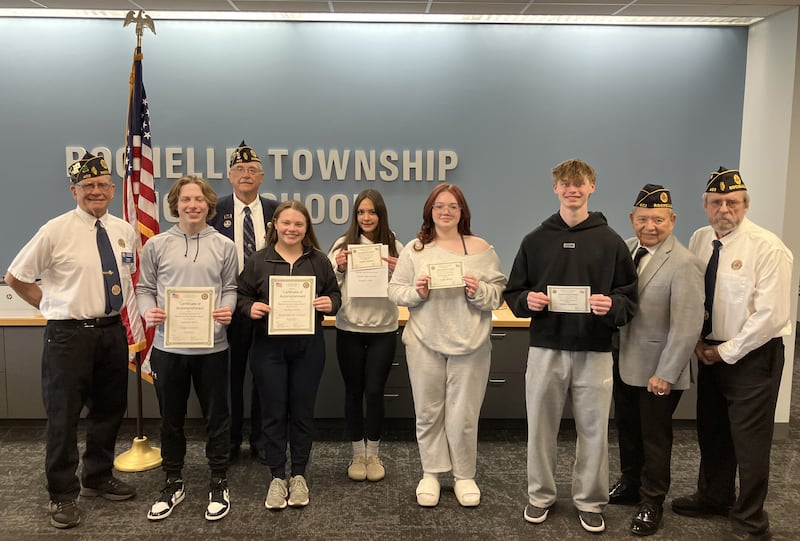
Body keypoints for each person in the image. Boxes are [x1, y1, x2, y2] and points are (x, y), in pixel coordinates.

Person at [503, 158, 638, 533]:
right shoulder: (535, 240)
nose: (572, 189)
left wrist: (612, 305)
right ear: (555, 189)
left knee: (594, 428)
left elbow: (629, 298)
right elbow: (514, 292)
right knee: (540, 426)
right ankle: (540, 495)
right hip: (546, 347)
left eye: (579, 184)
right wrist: (526, 301)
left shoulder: (610, 242)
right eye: (565, 184)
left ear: (592, 186)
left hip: (595, 349)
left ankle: (591, 500)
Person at [5, 152, 137, 529]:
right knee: (63, 417)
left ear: (112, 189)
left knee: (109, 410)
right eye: (87, 186)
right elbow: (16, 276)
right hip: (68, 336)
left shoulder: (123, 229)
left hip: (112, 331)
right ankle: (62, 494)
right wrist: (49, 305)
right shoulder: (55, 229)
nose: (95, 191)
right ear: (74, 191)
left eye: (102, 185)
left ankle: (98, 476)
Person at [671, 167, 792, 541]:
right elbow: (694, 295)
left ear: (745, 205)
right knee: (713, 432)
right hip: (709, 351)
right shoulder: (700, 238)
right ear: (706, 205)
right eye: (716, 202)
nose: (725, 208)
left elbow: (772, 316)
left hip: (752, 357)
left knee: (750, 441)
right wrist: (697, 343)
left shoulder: (767, 247)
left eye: (733, 202)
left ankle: (751, 520)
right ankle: (713, 496)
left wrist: (727, 352)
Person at [388, 184, 506, 508]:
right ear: (429, 211)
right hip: (425, 340)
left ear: (462, 212)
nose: (445, 212)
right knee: (428, 412)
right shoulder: (415, 250)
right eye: (439, 206)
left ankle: (464, 475)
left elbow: (498, 293)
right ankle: (431, 473)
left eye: (453, 206)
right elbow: (395, 291)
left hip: (472, 343)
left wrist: (478, 290)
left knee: (464, 414)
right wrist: (417, 292)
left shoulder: (481, 249)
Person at [136, 175, 238, 522]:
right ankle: (172, 480)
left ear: (209, 204)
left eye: (198, 199)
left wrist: (227, 309)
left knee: (217, 419)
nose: (192, 205)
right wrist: (149, 310)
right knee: (171, 420)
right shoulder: (158, 245)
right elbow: (144, 287)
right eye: (185, 199)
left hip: (212, 347)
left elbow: (230, 287)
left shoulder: (224, 245)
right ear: (175, 204)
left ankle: (219, 479)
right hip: (169, 347)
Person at [609, 184, 704, 536]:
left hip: (658, 370)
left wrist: (666, 373)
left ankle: (652, 502)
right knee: (629, 430)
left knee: (654, 438)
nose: (650, 226)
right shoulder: (629, 250)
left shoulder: (684, 263)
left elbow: (687, 325)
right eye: (644, 218)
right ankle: (630, 483)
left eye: (659, 219)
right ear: (632, 219)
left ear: (673, 220)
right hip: (625, 362)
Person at [237, 200, 341, 510]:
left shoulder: (319, 261)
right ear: (275, 226)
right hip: (268, 348)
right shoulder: (258, 260)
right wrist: (249, 308)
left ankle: (298, 475)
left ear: (306, 228)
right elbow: (242, 295)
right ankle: (276, 476)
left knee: (302, 411)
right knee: (273, 411)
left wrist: (330, 304)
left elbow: (335, 294)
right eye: (286, 223)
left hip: (308, 348)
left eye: (298, 224)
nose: (292, 229)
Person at [208, 140, 279, 461]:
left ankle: (262, 440)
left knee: (266, 375)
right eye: (240, 169)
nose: (246, 174)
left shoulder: (277, 212)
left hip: (268, 307)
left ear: (262, 177)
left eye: (252, 170)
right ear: (230, 176)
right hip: (228, 306)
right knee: (229, 377)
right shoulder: (214, 211)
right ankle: (232, 439)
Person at [328, 189, 404, 482]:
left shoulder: (395, 246)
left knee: (374, 392)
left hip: (383, 330)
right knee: (353, 392)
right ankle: (357, 454)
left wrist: (399, 271)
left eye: (372, 212)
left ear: (380, 214)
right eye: (361, 212)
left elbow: (407, 287)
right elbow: (330, 286)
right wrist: (340, 267)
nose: (366, 217)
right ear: (355, 215)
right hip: (349, 329)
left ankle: (373, 453)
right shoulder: (342, 245)